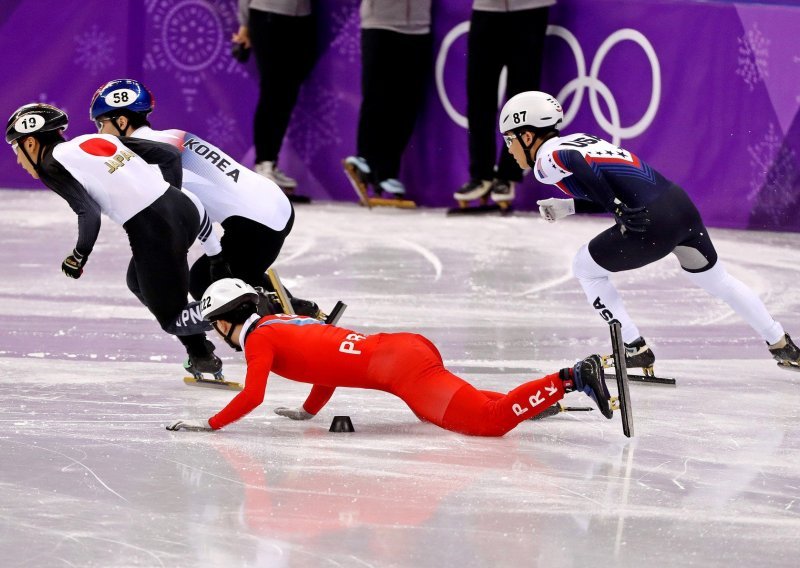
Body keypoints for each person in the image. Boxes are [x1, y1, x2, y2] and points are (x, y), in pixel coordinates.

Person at [498, 90, 800, 372]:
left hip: (651, 221)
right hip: (679, 207)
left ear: (527, 135)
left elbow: (579, 166)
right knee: (717, 280)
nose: (508, 149)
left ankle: (633, 348)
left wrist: (615, 206)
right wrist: (570, 207)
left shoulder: (545, 160)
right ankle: (780, 342)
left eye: (509, 139)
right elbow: (608, 183)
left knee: (584, 267)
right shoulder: (580, 139)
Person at [166, 278, 616, 435]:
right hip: (402, 348)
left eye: (214, 326)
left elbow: (252, 396)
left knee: (488, 423)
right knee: (455, 407)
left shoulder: (259, 340)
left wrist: (208, 425)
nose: (217, 335)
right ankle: (539, 400)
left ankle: (572, 376)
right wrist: (307, 411)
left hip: (401, 370)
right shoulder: (285, 324)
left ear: (225, 321)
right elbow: (328, 367)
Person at [6, 103, 225, 377]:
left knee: (173, 319)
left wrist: (78, 256)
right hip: (184, 209)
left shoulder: (51, 164)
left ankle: (244, 310)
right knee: (138, 282)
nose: (18, 160)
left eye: (16, 150)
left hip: (154, 230)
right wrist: (171, 204)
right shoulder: (94, 138)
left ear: (30, 142)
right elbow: (169, 155)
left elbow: (89, 213)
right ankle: (201, 354)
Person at [89, 79, 322, 317]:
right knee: (233, 273)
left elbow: (182, 212)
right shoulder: (172, 135)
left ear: (121, 122)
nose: (98, 132)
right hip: (273, 205)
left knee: (206, 284)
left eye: (101, 124)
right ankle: (294, 308)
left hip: (257, 225)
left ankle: (283, 326)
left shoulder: (146, 158)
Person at [454, 0, 555, 207]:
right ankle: (481, 175)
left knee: (522, 96)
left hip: (529, 10)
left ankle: (508, 175)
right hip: (486, 10)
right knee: (479, 94)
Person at [343, 0, 433, 199]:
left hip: (418, 26)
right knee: (376, 96)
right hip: (379, 22)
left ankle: (386, 172)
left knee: (407, 104)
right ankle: (365, 159)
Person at [232, 0, 317, 194]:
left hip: (302, 16)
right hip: (267, 13)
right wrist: (245, 24)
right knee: (272, 89)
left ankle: (271, 161)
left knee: (287, 92)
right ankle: (263, 162)